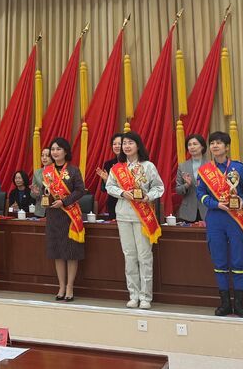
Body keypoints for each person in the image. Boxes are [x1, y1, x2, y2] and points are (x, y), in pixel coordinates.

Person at [196, 131, 243, 318]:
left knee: (238, 261)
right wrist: (215, 204)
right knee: (219, 261)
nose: (215, 146)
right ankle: (224, 304)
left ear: (227, 147)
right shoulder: (205, 170)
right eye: (212, 143)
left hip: (235, 219)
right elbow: (200, 194)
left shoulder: (238, 168)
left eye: (219, 143)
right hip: (215, 218)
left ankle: (239, 305)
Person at [101, 132, 163, 309]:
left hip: (143, 216)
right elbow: (109, 186)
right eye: (124, 143)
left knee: (144, 256)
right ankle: (133, 295)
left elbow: (159, 187)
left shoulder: (148, 166)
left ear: (138, 145)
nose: (126, 146)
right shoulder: (117, 168)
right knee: (129, 256)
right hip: (123, 215)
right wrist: (122, 193)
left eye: (130, 143)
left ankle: (146, 296)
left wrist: (148, 196)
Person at [43, 137, 86, 301]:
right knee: (57, 252)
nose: (55, 152)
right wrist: (40, 194)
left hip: (70, 215)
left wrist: (64, 201)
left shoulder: (74, 170)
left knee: (71, 252)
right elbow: (45, 193)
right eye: (53, 149)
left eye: (58, 149)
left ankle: (70, 287)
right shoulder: (47, 171)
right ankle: (61, 286)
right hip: (53, 215)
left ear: (66, 151)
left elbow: (80, 190)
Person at [175, 134, 210, 223]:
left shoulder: (211, 165)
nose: (192, 147)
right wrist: (186, 185)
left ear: (202, 146)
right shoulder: (182, 166)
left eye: (195, 144)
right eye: (189, 145)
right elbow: (178, 190)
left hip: (208, 209)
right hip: (188, 212)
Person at [29, 146, 53, 218]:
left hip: (55, 209)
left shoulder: (58, 172)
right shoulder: (37, 173)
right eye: (42, 155)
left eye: (47, 156)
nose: (44, 158)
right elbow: (32, 195)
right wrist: (35, 193)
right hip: (40, 211)